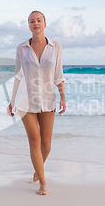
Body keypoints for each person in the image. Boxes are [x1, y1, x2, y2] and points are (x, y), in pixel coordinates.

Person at [7, 10, 66, 195]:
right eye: (32, 21)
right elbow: (18, 76)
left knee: (46, 145)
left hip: (48, 99)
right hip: (25, 100)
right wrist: (11, 101)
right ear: (29, 25)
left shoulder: (56, 47)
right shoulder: (21, 48)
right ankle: (43, 182)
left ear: (45, 24)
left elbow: (58, 74)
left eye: (39, 20)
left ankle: (37, 167)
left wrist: (63, 96)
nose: (36, 23)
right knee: (34, 140)